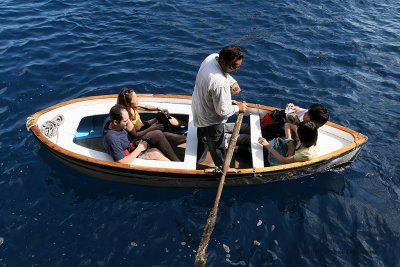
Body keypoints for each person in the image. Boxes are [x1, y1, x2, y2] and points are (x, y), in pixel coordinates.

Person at [192, 45, 247, 168]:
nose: (234, 70)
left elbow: (223, 73)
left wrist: (233, 82)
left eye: (237, 68)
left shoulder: (212, 57)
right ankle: (221, 167)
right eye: (233, 67)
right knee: (218, 146)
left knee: (201, 139)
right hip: (211, 120)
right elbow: (222, 111)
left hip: (198, 109)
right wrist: (239, 108)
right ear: (223, 61)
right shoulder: (219, 83)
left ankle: (198, 160)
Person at [103, 104, 170, 163]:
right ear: (115, 122)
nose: (129, 122)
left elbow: (116, 107)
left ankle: (176, 160)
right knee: (155, 153)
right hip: (130, 153)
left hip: (133, 143)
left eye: (128, 119)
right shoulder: (112, 139)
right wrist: (140, 148)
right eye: (125, 121)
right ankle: (174, 168)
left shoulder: (111, 119)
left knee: (157, 133)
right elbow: (122, 161)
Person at [117, 88, 186, 145]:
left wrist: (159, 108)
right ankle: (186, 138)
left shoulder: (133, 106)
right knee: (162, 134)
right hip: (139, 136)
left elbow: (146, 106)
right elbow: (135, 135)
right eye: (135, 100)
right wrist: (152, 128)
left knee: (162, 115)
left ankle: (186, 125)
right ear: (128, 104)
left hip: (143, 126)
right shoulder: (126, 117)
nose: (138, 101)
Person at [260, 103, 329, 141]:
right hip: (289, 125)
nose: (305, 113)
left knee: (279, 128)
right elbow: (298, 108)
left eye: (307, 114)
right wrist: (292, 106)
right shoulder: (308, 112)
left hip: (290, 130)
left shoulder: (308, 132)